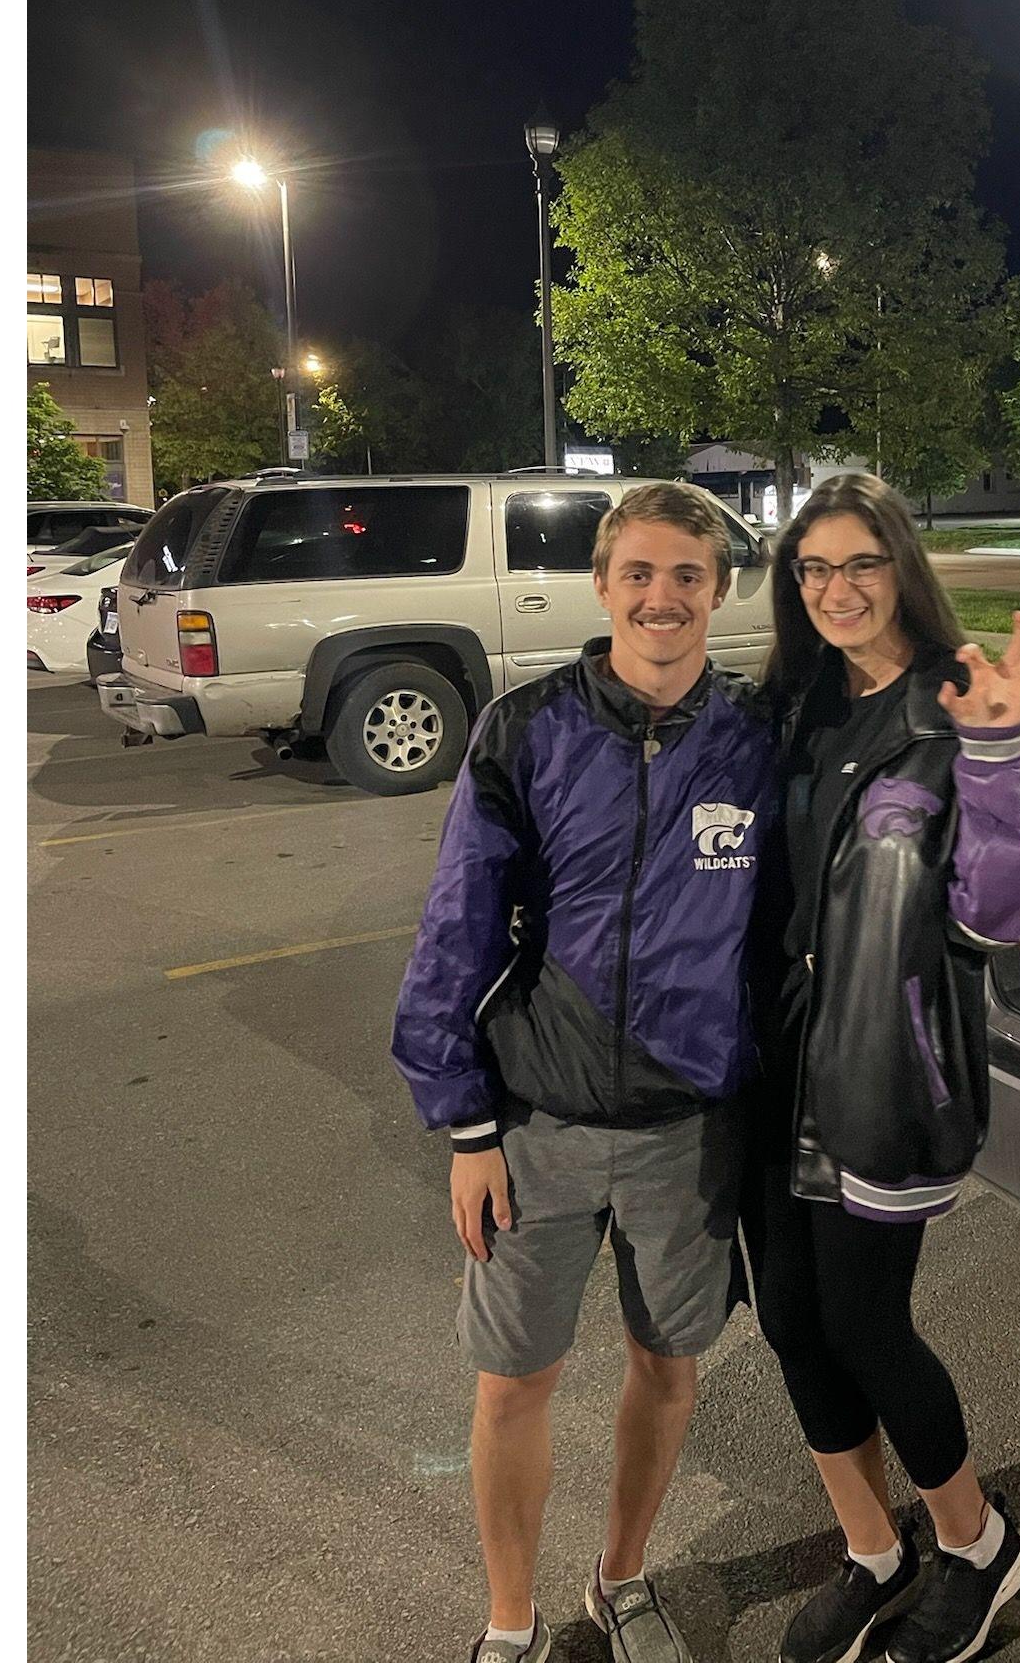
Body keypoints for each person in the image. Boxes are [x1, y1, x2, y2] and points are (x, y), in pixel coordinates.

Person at [392, 480, 777, 1663]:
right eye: (640, 573)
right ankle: (509, 1621)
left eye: (686, 575)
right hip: (535, 1124)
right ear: (602, 584)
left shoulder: (756, 738)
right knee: (512, 1381)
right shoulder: (527, 728)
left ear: (717, 588)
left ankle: (622, 1576)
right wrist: (465, 1126)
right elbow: (456, 925)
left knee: (667, 1365)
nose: (663, 596)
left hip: (688, 1129)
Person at [746, 473, 1020, 1663]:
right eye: (813, 568)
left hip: (884, 1067)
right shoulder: (795, 702)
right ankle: (873, 1549)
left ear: (900, 567)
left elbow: (1002, 914)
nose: (836, 588)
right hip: (773, 1062)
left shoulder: (956, 704)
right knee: (790, 1317)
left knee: (864, 1322)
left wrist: (997, 749)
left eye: (859, 563)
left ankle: (976, 1542)